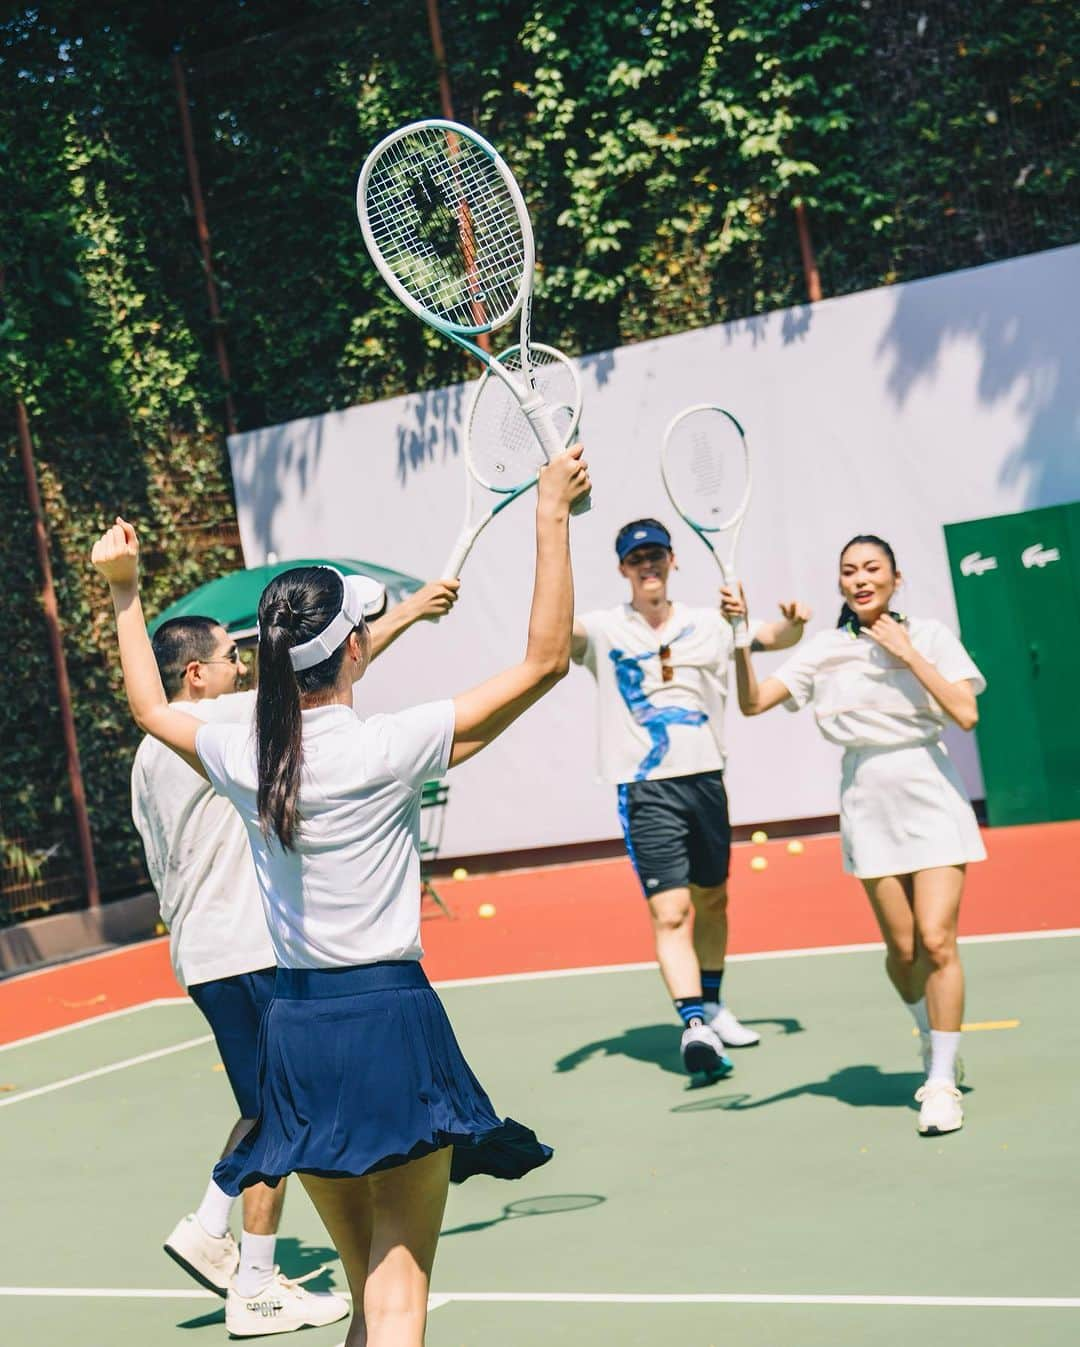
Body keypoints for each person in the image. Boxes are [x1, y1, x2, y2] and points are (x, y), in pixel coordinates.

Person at [93, 443, 590, 1347]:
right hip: (388, 1024)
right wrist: (549, 512)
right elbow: (547, 660)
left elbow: (148, 707)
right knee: (399, 1298)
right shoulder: (387, 745)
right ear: (354, 647)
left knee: (366, 1293)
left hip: (299, 1036)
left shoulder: (247, 755)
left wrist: (126, 590)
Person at [134, 580, 458, 1337]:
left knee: (274, 1110)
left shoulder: (151, 756)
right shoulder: (225, 721)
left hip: (200, 952)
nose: (246, 669)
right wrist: (406, 613)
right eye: (229, 657)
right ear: (195, 677)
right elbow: (318, 676)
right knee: (280, 1114)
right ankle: (241, 1264)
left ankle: (232, 1241)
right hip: (252, 950)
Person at [729, 534, 985, 1136]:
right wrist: (741, 637)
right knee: (902, 952)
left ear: (897, 579)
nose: (860, 578)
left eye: (873, 568)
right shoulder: (823, 650)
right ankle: (931, 1035)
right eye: (849, 571)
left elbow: (966, 714)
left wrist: (907, 652)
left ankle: (943, 1081)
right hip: (867, 800)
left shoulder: (928, 637)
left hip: (930, 790)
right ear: (840, 583)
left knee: (937, 940)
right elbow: (752, 701)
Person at [570, 518, 810, 1076]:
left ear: (673, 561)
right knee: (671, 911)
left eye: (656, 556)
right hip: (645, 789)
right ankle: (694, 1024)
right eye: (636, 559)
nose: (647, 566)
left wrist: (794, 623)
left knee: (713, 901)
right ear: (622, 569)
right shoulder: (602, 630)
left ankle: (715, 1002)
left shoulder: (711, 622)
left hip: (705, 780)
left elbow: (776, 637)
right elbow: (554, 636)